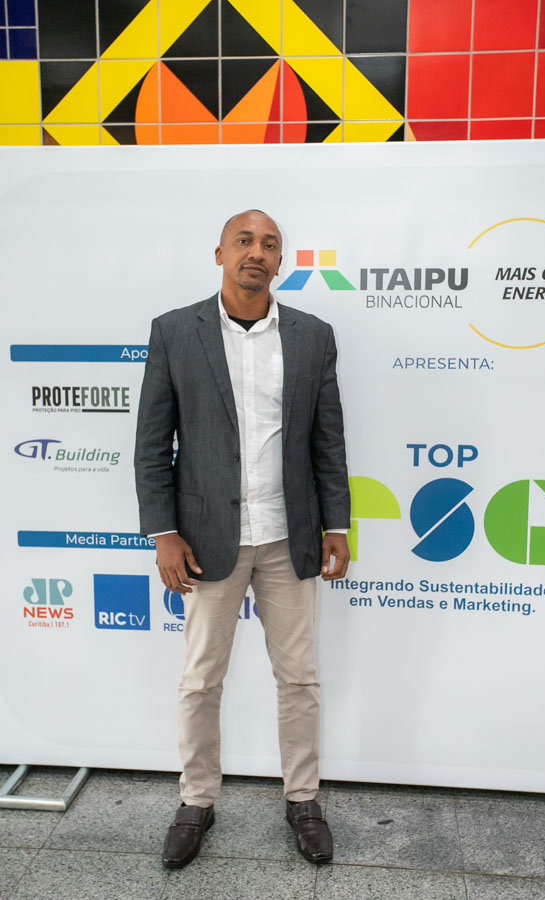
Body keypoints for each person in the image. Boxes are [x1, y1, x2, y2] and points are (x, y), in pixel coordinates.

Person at [134, 209, 350, 869]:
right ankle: (196, 801)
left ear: (281, 260)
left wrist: (337, 524)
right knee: (201, 678)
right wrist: (164, 532)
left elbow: (328, 440)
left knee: (300, 678)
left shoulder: (314, 336)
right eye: (245, 241)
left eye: (270, 244)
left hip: (289, 536)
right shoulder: (175, 331)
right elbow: (152, 443)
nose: (257, 252)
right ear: (221, 253)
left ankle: (303, 801)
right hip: (206, 540)